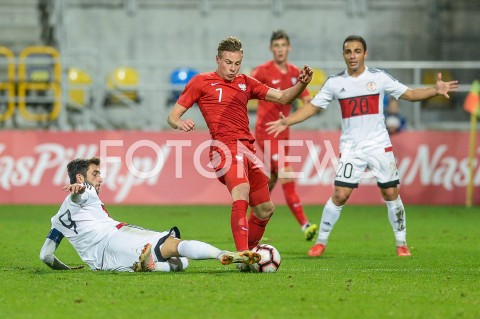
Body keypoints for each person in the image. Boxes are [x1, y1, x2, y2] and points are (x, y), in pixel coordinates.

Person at [267, 35, 459, 257]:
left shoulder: (378, 78)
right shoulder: (335, 83)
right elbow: (312, 108)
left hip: (379, 144)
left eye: (357, 51)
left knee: (390, 192)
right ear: (343, 55)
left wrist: (434, 90)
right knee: (340, 194)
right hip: (351, 147)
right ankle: (320, 242)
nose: (352, 56)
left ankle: (401, 243)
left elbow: (410, 94)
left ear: (365, 54)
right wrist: (286, 121)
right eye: (348, 52)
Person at [167, 36, 313, 253]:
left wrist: (302, 83)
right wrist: (179, 122)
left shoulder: (247, 82)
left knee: (265, 209)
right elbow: (173, 115)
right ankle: (242, 254)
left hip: (248, 149)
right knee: (241, 189)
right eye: (228, 63)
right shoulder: (201, 82)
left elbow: (283, 97)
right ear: (217, 59)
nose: (233, 68)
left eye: (237, 63)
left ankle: (250, 252)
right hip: (223, 147)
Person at [39, 157, 261, 272]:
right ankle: (221, 253)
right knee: (174, 247)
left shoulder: (58, 219)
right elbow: (80, 195)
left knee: (180, 264)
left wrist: (67, 269)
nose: (100, 178)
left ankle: (149, 266)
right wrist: (78, 191)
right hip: (117, 236)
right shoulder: (84, 193)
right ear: (80, 179)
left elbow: (46, 256)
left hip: (103, 263)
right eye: (95, 174)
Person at [250, 30, 318, 241]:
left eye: (283, 45)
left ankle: (250, 219)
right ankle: (305, 225)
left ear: (289, 48)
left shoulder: (295, 72)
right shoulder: (262, 71)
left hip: (284, 133)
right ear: (271, 48)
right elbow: (242, 91)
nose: (280, 49)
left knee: (270, 181)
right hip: (267, 132)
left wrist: (294, 117)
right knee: (287, 174)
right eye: (276, 45)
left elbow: (308, 103)